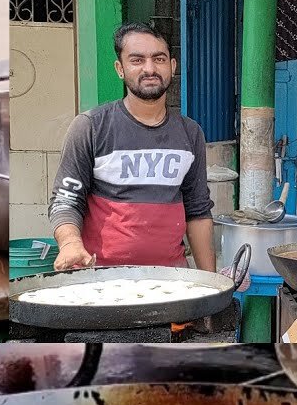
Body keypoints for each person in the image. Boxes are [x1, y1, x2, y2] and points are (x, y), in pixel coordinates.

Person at [49, 22, 216, 273]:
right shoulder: (91, 127)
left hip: (172, 282)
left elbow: (198, 212)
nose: (149, 69)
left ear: (172, 66)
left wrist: (210, 286)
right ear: (120, 68)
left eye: (158, 59)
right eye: (137, 60)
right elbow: (65, 201)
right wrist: (71, 244)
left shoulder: (190, 133)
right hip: (101, 280)